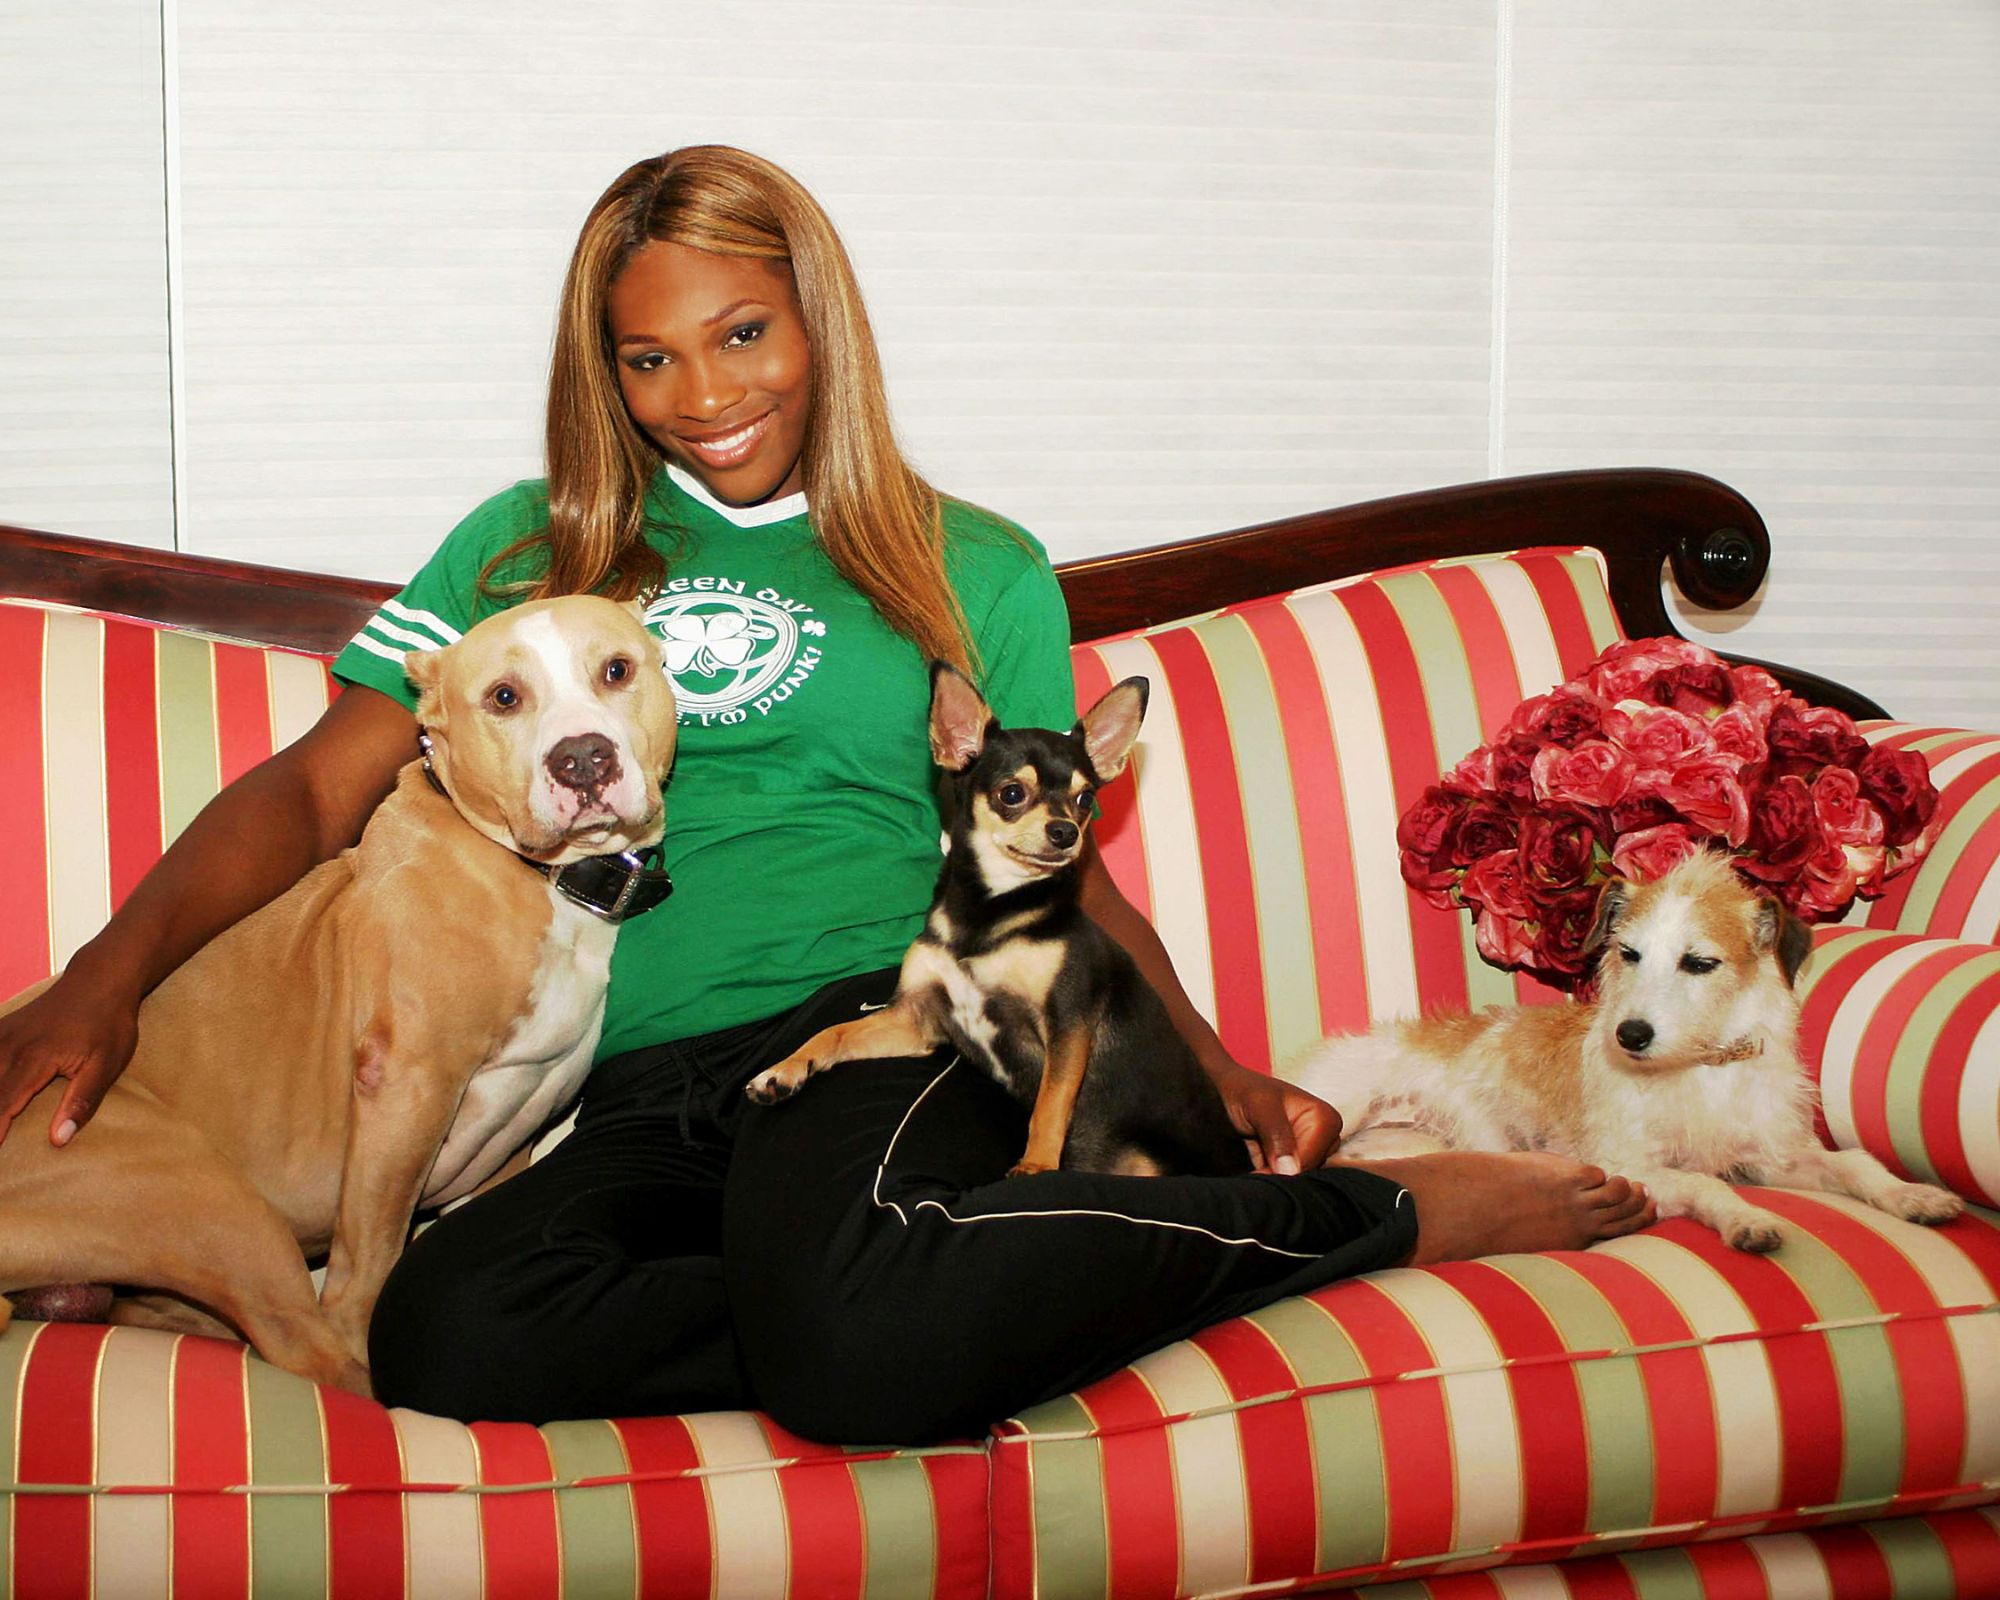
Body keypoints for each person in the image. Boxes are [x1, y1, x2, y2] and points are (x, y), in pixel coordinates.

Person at [0, 147, 1651, 1442]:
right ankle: (918, 1277)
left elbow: (1051, 856)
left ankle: (1359, 1221)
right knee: (448, 1335)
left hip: (884, 1023)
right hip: (634, 1088)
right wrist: (105, 977)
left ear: (817, 321)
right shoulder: (525, 551)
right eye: (648, 359)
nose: (704, 395)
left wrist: (1210, 1066)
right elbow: (310, 796)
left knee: (855, 1350)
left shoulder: (970, 565)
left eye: (742, 335)